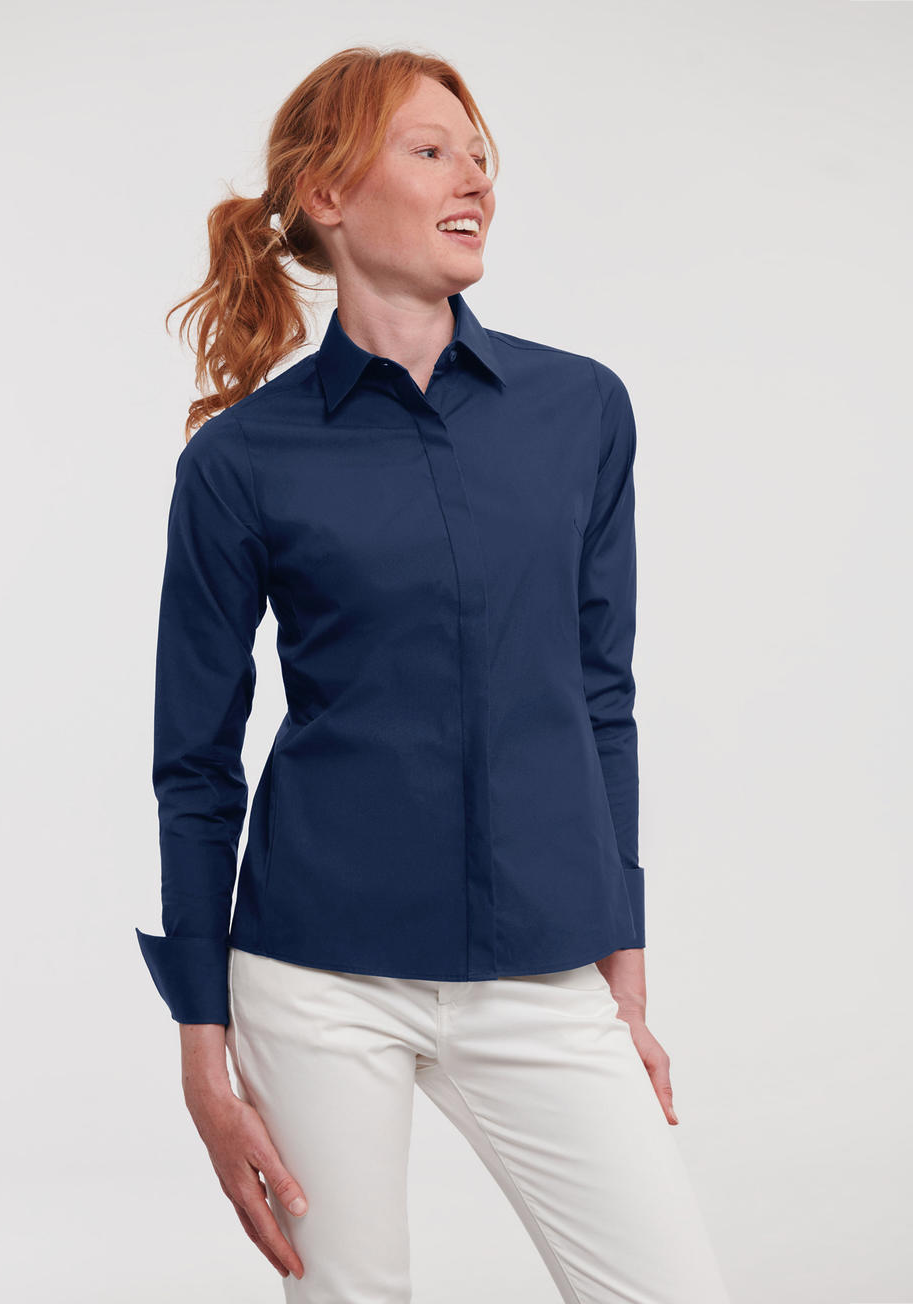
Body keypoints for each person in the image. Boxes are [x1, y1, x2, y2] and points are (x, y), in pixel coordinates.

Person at [134, 44, 733, 1304]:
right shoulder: (240, 460)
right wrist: (202, 1053)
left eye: (479, 155)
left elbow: (599, 695)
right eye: (430, 150)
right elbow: (195, 764)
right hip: (317, 977)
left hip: (545, 967)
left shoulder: (581, 410)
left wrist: (623, 982)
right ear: (328, 195)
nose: (474, 178)